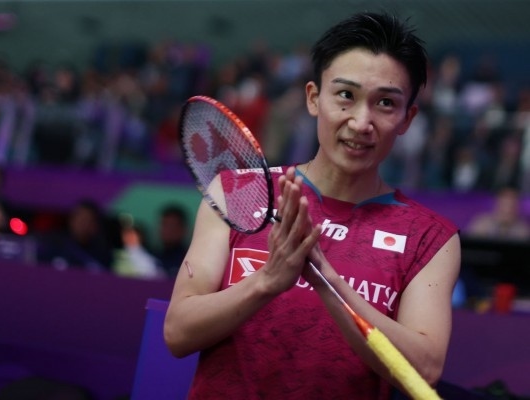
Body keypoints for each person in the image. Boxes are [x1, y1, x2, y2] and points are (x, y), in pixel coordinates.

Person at [164, 11, 460, 399]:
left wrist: (326, 279)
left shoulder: (430, 239)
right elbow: (178, 332)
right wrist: (267, 281)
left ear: (407, 118)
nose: (361, 122)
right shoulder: (235, 192)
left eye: (386, 103)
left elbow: (425, 369)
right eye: (346, 95)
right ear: (313, 98)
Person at [465, 185, 530, 241]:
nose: (507, 210)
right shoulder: (481, 223)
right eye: (504, 204)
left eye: (512, 206)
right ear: (497, 204)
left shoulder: (523, 230)